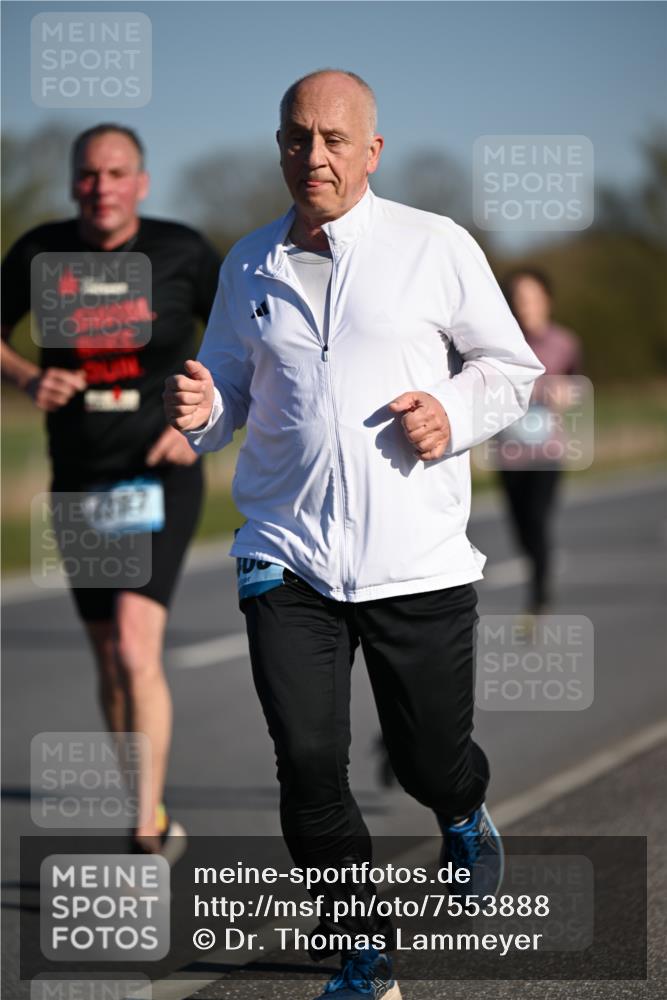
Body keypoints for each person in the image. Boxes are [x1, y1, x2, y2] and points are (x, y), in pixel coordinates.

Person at [164, 70, 543, 998]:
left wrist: (450, 413)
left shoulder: (433, 245)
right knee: (306, 763)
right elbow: (226, 393)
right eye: (297, 137)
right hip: (285, 555)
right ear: (279, 144)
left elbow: (512, 368)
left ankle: (461, 812)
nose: (314, 155)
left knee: (427, 759)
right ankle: (361, 955)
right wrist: (204, 408)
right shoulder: (248, 261)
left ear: (371, 150)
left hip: (414, 559)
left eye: (334, 139)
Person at [1, 124, 222, 856]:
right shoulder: (38, 251)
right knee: (107, 655)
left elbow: (244, 345)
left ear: (142, 181)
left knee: (134, 644)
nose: (102, 187)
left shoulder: (184, 250)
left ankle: (143, 824)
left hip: (162, 469)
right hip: (83, 477)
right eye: (89, 174)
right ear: (74, 182)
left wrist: (198, 425)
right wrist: (29, 374)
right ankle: (146, 804)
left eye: (117, 172)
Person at [499, 268, 583, 614]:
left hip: (548, 450)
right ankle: (538, 569)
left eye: (532, 298)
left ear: (546, 300)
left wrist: (569, 394)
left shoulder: (565, 343)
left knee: (537, 517)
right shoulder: (503, 344)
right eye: (519, 300)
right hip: (509, 452)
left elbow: (580, 386)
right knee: (520, 526)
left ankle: (539, 591)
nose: (525, 307)